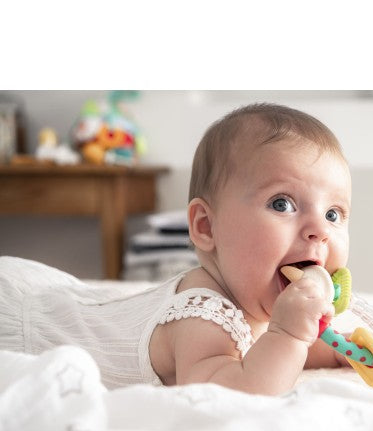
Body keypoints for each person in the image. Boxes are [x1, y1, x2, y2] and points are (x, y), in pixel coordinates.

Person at [0, 103, 352, 395]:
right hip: (28, 325)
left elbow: (263, 349)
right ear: (206, 226)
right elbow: (233, 394)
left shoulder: (248, 298)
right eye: (282, 204)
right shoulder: (203, 315)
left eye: (333, 214)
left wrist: (336, 349)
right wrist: (290, 335)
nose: (320, 230)